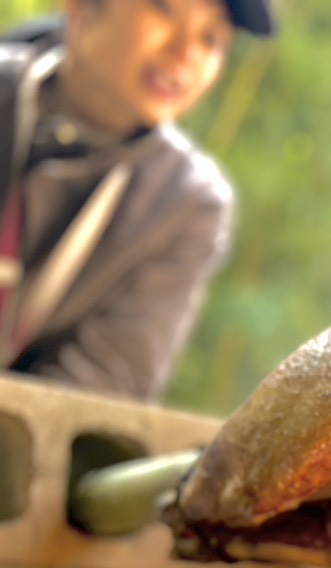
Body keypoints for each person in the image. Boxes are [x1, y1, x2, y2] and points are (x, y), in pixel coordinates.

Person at [0, 0, 275, 402]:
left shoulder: (187, 205)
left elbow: (100, 389)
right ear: (80, 6)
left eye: (211, 39)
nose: (187, 53)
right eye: (165, 11)